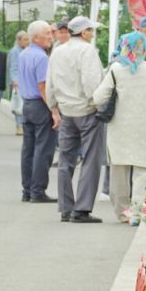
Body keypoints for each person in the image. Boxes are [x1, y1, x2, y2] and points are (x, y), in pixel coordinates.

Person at [95, 32, 146, 225]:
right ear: (144, 48)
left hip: (120, 129)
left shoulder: (116, 69)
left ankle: (122, 213)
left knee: (119, 171)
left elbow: (98, 98)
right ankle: (137, 213)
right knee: (143, 172)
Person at [45, 15, 107, 223]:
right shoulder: (87, 50)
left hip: (66, 110)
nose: (92, 34)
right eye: (90, 30)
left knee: (65, 159)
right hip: (87, 110)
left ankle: (65, 206)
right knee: (90, 159)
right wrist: (99, 104)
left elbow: (50, 82)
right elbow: (90, 81)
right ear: (84, 32)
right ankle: (81, 209)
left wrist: (53, 107)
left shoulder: (58, 50)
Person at [18, 21, 56, 204]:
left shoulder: (24, 53)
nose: (51, 36)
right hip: (41, 105)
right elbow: (43, 87)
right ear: (36, 37)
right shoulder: (42, 58)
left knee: (28, 149)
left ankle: (27, 189)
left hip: (27, 104)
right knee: (44, 149)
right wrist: (54, 111)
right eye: (47, 33)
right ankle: (38, 190)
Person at [6, 30, 29, 135]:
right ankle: (19, 126)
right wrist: (15, 80)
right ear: (19, 41)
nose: (27, 41)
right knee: (19, 105)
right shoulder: (15, 51)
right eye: (25, 39)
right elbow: (13, 67)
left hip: (24, 81)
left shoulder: (25, 50)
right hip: (18, 82)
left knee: (22, 105)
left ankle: (21, 125)